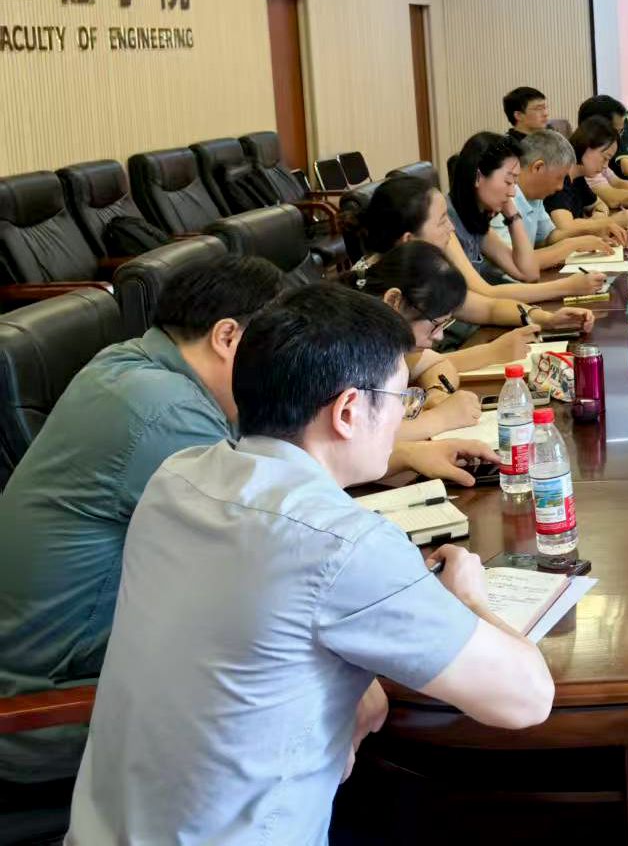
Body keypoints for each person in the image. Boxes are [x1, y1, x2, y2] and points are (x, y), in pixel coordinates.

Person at [66, 285, 555, 842]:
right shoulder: (342, 546)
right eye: (402, 399)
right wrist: (467, 598)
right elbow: (527, 698)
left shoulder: (176, 477)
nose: (403, 416)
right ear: (348, 411)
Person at [0, 258, 490, 787]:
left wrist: (406, 455)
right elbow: (287, 530)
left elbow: (278, 477)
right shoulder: (165, 411)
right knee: (346, 686)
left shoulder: (132, 368)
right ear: (227, 337)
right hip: (55, 701)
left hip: (103, 658)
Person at [344, 241, 543, 441]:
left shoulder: (389, 342)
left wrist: (436, 392)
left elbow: (437, 363)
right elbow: (359, 440)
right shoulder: (349, 349)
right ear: (394, 301)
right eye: (434, 324)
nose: (439, 336)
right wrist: (439, 419)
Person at [352, 174, 598, 332]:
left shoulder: (422, 264)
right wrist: (492, 351)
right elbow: (416, 364)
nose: (451, 228)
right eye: (441, 221)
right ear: (409, 240)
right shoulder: (378, 295)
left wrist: (545, 319)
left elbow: (488, 307)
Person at [446, 131, 614, 291]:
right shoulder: (447, 221)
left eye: (514, 182)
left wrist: (512, 215)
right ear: (478, 177)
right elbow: (485, 294)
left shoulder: (479, 218)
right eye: (508, 181)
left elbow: (530, 271)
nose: (512, 192)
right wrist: (566, 285)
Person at [495, 128, 625, 269]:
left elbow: (547, 238)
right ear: (538, 168)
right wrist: (573, 244)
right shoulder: (502, 199)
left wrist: (592, 232)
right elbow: (514, 262)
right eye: (559, 178)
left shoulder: (535, 196)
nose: (560, 187)